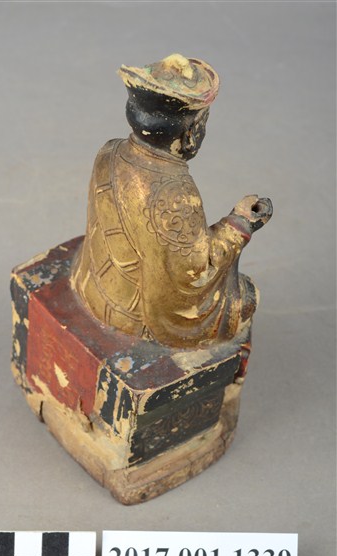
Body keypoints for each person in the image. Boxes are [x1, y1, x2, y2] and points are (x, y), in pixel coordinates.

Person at [71, 54, 272, 348]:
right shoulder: (175, 194)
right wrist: (239, 224)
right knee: (247, 297)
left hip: (89, 283)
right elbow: (192, 275)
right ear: (191, 133)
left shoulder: (109, 151)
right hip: (130, 316)